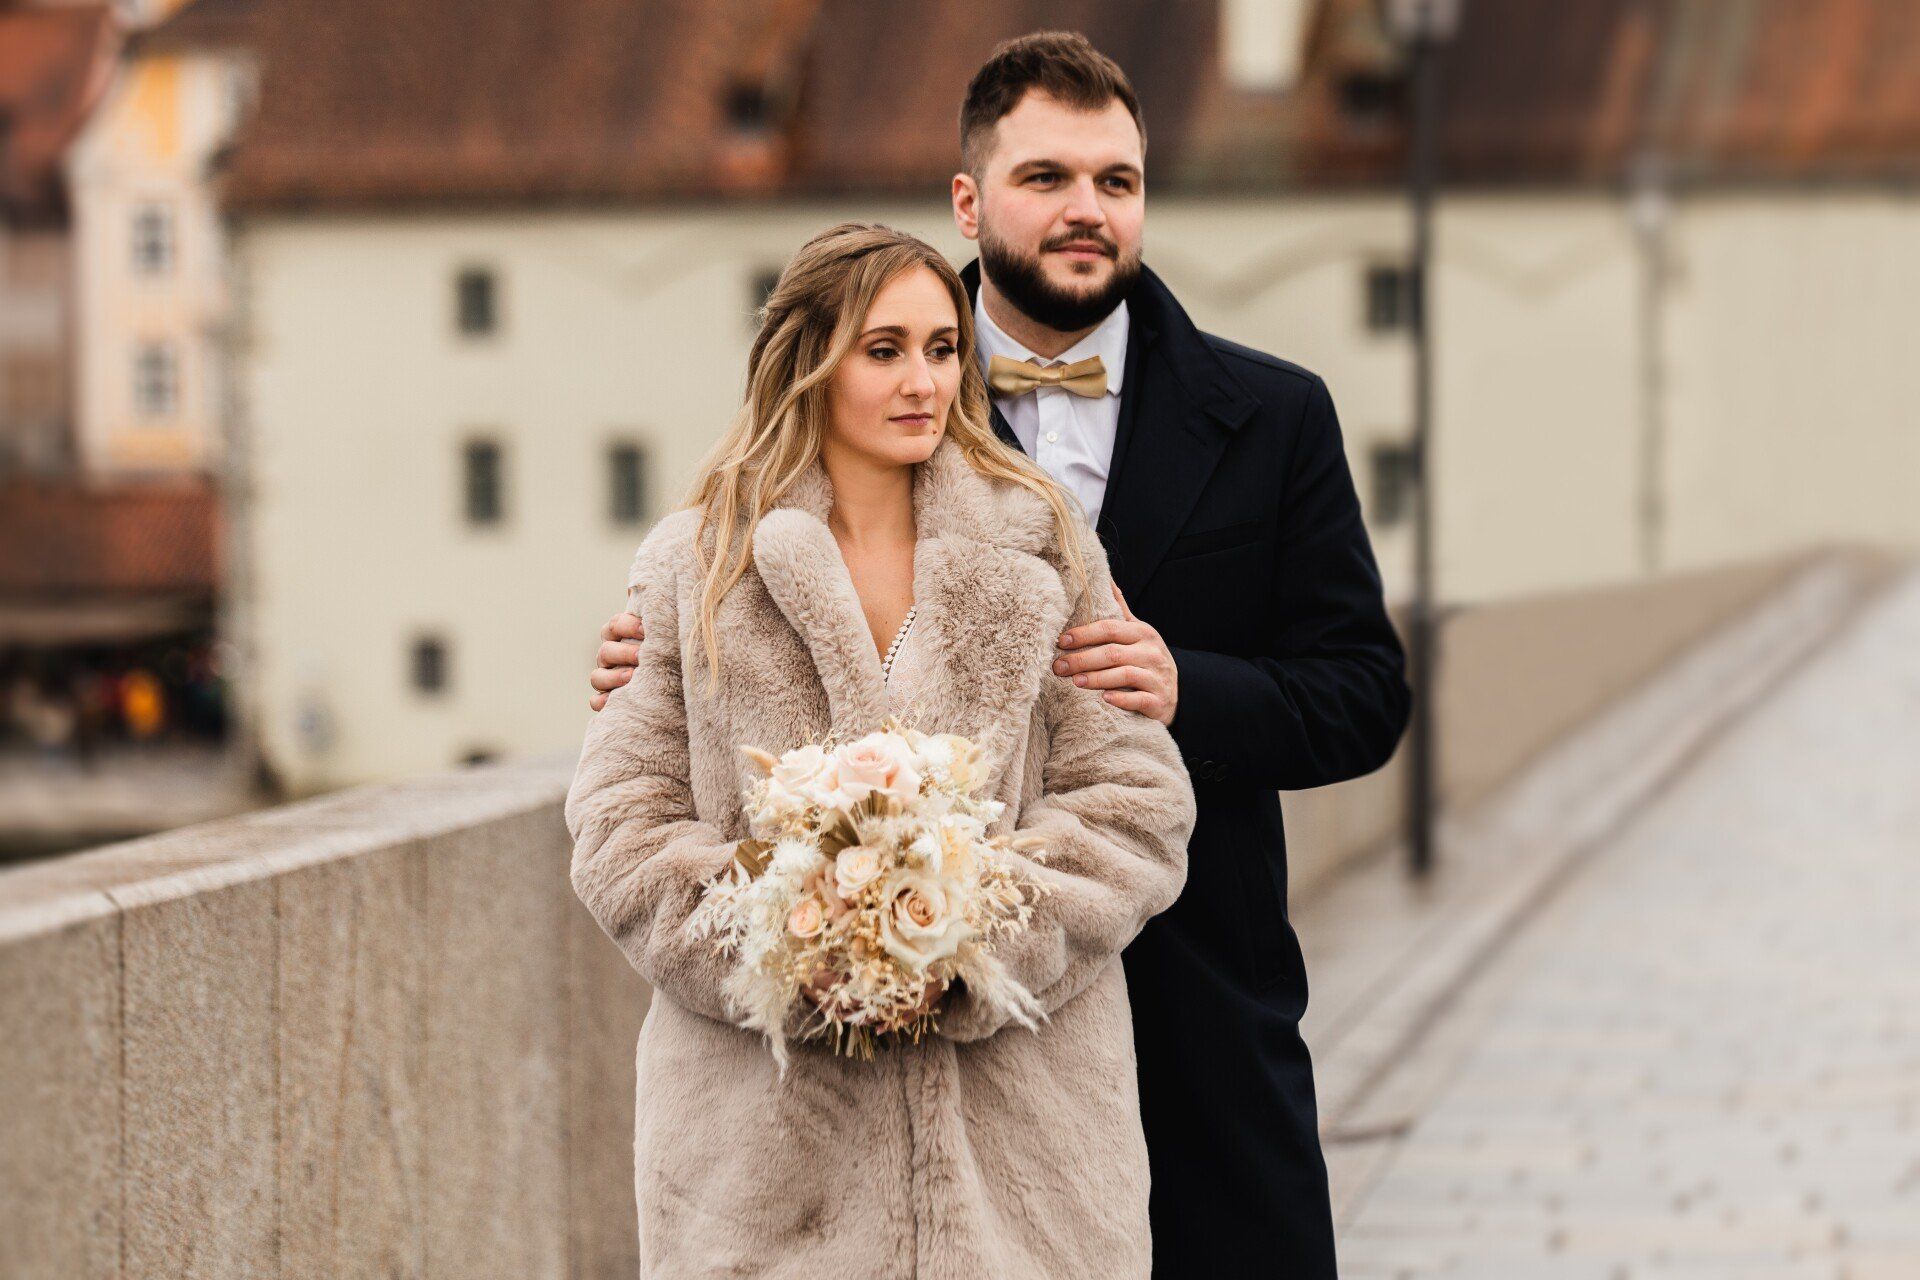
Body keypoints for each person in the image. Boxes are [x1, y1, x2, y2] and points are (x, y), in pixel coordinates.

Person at [591, 32, 1412, 1278]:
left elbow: (1365, 692)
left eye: (1117, 181)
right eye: (1047, 178)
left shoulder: (1277, 413)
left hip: (1192, 1001)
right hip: (824, 1114)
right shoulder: (858, 397)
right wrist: (650, 667)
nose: (1087, 210)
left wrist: (1189, 685)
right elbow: (662, 743)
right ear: (969, 202)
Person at [566, 222, 1196, 1277]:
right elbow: (620, 826)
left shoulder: (1041, 539)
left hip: (1025, 1153)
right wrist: (800, 949)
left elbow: (1133, 797)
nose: (925, 380)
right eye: (885, 349)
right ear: (809, 360)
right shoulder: (694, 564)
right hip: (764, 1161)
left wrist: (965, 940)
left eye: (944, 348)